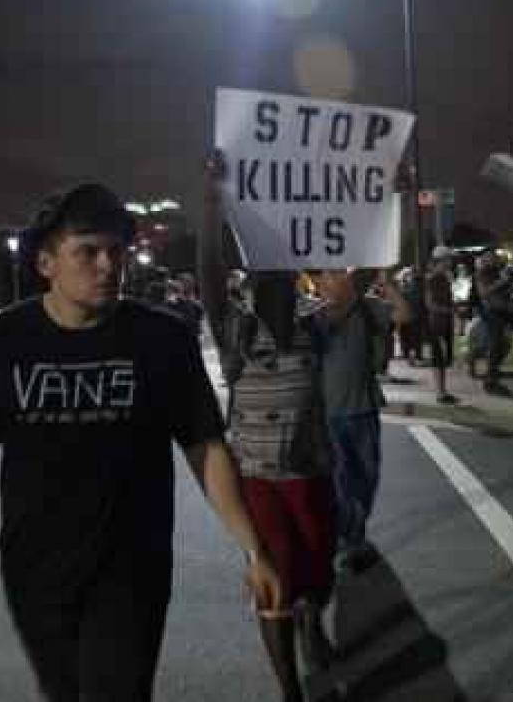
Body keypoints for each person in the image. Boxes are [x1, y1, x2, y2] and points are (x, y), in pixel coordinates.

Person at [0, 183, 281, 701]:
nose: (108, 265)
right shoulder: (5, 341)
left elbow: (206, 448)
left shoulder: (163, 339)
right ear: (46, 263)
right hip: (34, 572)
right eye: (87, 251)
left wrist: (254, 549)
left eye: (116, 251)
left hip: (133, 568)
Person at [220, 271, 339, 702]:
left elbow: (351, 289)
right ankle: (291, 690)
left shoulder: (314, 323)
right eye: (263, 287)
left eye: (281, 286)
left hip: (312, 473)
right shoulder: (238, 329)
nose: (273, 298)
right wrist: (212, 212)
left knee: (321, 570)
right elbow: (210, 271)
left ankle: (312, 622)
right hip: (258, 478)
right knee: (276, 579)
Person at [310, 266, 411, 572]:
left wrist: (386, 282)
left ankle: (354, 532)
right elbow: (324, 331)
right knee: (340, 482)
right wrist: (349, 299)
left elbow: (404, 316)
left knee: (367, 477)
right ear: (319, 282)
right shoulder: (314, 314)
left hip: (364, 408)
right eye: (331, 274)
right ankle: (347, 541)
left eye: (341, 273)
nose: (339, 278)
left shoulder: (369, 308)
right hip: (328, 413)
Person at [474, 250, 513, 393]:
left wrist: (512, 287)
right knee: (494, 346)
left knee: (501, 345)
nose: (495, 260)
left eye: (496, 258)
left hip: (502, 312)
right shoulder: (482, 273)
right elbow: (483, 292)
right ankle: (490, 381)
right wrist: (502, 282)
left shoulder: (499, 271)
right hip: (491, 313)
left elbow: (507, 290)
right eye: (492, 258)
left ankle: (494, 375)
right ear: (486, 260)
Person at [425, 245, 459, 405]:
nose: (451, 261)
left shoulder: (444, 278)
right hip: (437, 323)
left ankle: (443, 391)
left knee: (443, 358)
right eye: (448, 259)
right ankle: (440, 393)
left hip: (444, 322)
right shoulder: (433, 278)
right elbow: (430, 303)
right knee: (438, 358)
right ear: (442, 260)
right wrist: (450, 310)